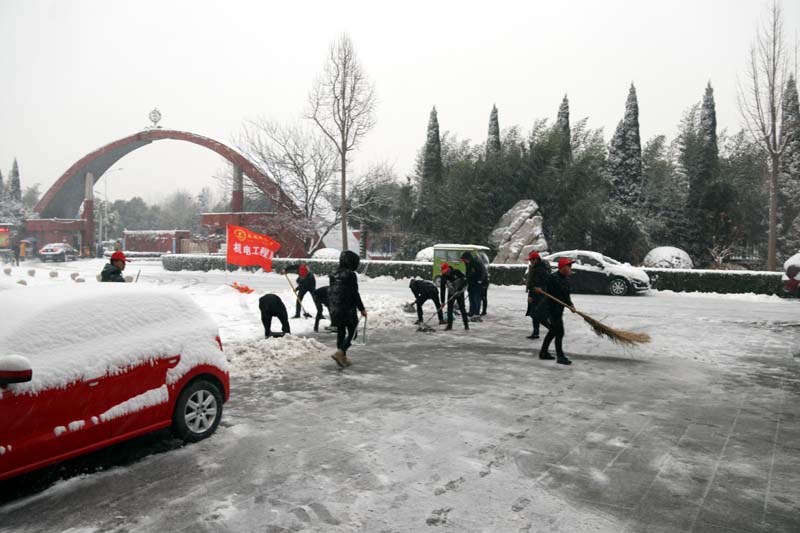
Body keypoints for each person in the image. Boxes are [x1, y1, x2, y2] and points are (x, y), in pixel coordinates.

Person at [328, 250, 367, 368]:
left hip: (335, 308)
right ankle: (341, 352)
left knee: (341, 332)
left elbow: (333, 291)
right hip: (348, 308)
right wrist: (362, 309)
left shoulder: (333, 273)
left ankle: (342, 357)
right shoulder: (350, 274)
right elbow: (354, 293)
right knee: (353, 333)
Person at [535, 257, 576, 365]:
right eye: (568, 266)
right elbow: (543, 285)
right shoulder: (553, 278)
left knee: (553, 331)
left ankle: (543, 352)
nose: (570, 268)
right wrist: (539, 289)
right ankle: (560, 356)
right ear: (562, 268)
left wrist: (571, 305)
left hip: (558, 309)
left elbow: (566, 296)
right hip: (550, 309)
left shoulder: (566, 280)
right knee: (559, 332)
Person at [525, 251, 550, 339]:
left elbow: (545, 282)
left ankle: (552, 329)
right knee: (534, 315)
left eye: (531, 260)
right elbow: (532, 283)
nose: (530, 261)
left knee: (537, 315)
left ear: (536, 259)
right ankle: (536, 333)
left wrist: (541, 289)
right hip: (535, 294)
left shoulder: (541, 269)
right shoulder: (535, 268)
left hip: (539, 296)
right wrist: (530, 294)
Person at [439, 262, 469, 331]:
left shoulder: (456, 272)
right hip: (451, 293)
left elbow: (465, 280)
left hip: (459, 293)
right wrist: (442, 301)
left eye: (445, 271)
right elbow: (442, 289)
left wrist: (460, 287)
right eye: (443, 271)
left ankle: (466, 325)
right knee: (449, 309)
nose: (445, 273)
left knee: (462, 308)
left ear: (448, 268)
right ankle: (449, 326)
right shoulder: (443, 276)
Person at [460, 251, 485, 321]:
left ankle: (476, 314)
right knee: (471, 298)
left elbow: (481, 272)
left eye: (465, 260)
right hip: (470, 284)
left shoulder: (476, 263)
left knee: (476, 298)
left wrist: (480, 280)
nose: (464, 262)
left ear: (468, 258)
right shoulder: (467, 264)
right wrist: (466, 279)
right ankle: (472, 312)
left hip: (477, 284)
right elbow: (468, 273)